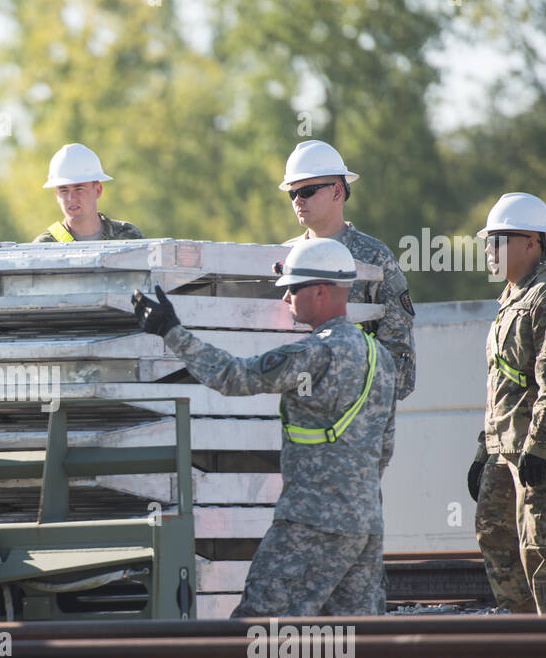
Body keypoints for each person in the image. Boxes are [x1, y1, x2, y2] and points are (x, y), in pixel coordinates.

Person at [133, 238, 396, 616]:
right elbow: (385, 446)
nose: (285, 298)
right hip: (365, 524)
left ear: (320, 291)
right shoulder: (379, 356)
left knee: (258, 628)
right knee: (352, 641)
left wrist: (171, 331)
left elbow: (233, 377)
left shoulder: (314, 352)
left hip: (311, 522)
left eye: (291, 288)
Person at [468, 193, 546, 614]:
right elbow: (502, 386)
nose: (490, 250)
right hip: (507, 448)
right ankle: (527, 633)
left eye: (500, 240)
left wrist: (538, 448)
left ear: (533, 243)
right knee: (495, 535)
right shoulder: (511, 297)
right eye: (488, 241)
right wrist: (483, 449)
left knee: (543, 549)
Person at [280, 140, 416, 401]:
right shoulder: (281, 257)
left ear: (337, 192)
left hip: (352, 421)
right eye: (292, 193)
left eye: (307, 191)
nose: (298, 200)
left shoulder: (376, 259)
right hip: (292, 418)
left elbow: (400, 365)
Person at [33, 143, 143, 242]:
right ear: (57, 195)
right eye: (64, 190)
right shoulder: (45, 246)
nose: (71, 198)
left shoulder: (128, 236)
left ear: (98, 190)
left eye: (79, 189)